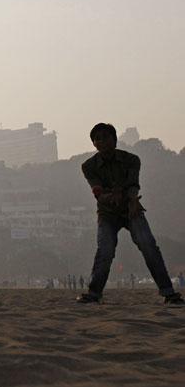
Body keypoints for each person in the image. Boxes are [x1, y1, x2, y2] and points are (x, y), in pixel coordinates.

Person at [77, 123, 183, 305]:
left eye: (105, 137)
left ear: (115, 140)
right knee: (106, 250)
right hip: (107, 214)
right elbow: (98, 194)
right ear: (94, 144)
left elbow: (134, 185)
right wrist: (112, 196)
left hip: (131, 210)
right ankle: (94, 293)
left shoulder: (132, 160)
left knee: (148, 245)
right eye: (97, 139)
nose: (101, 142)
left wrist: (132, 200)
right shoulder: (89, 166)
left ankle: (168, 292)